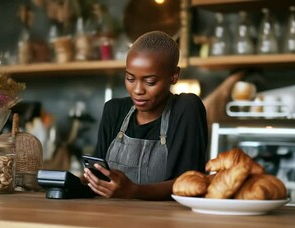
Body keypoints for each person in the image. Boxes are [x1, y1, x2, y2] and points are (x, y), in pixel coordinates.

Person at [82, 31, 208, 200]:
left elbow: (189, 183)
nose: (138, 90)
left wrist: (134, 191)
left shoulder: (186, 109)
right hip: (111, 219)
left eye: (150, 82)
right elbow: (98, 176)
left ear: (174, 76)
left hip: (168, 222)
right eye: (130, 78)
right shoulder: (114, 110)